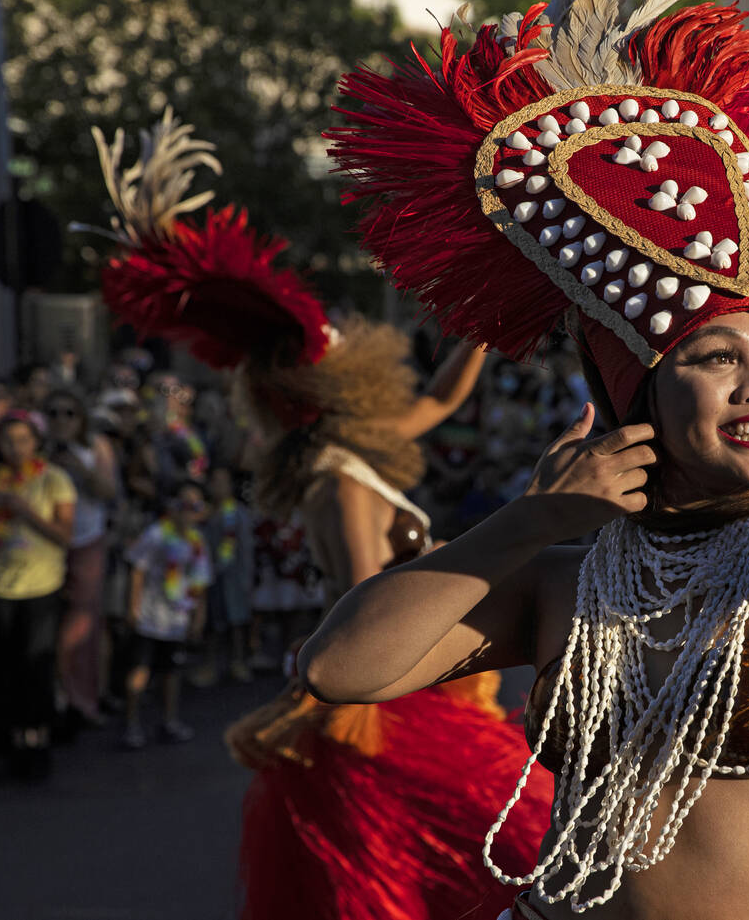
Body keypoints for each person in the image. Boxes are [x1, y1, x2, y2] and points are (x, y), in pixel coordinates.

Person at [310, 0, 749, 919]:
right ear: (640, 396)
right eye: (715, 359)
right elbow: (338, 668)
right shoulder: (563, 569)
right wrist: (532, 521)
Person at [82, 110, 554, 920]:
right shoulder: (340, 482)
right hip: (391, 705)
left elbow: (441, 397)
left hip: (412, 688)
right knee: (496, 850)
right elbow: (373, 604)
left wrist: (491, 304)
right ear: (321, 389)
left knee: (493, 857)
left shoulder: (356, 450)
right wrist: (487, 547)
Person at [0, 410, 76, 778]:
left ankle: (38, 743)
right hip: (0, 585)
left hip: (41, 585)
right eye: (7, 441)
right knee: (7, 668)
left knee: (36, 665)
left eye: (22, 440)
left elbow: (65, 536)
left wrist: (25, 512)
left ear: (35, 442)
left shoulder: (53, 480)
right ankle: (14, 743)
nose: (15, 448)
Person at [45, 387, 118, 729]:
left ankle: (85, 698)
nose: (61, 421)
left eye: (69, 414)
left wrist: (81, 470)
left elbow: (109, 492)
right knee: (50, 628)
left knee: (82, 626)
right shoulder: (37, 450)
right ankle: (58, 696)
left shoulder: (95, 448)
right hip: (45, 547)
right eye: (54, 413)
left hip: (87, 541)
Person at [121, 479, 212, 748]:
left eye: (195, 506)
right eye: (184, 505)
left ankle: (169, 721)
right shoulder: (156, 535)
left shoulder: (198, 541)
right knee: (140, 670)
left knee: (172, 671)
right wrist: (132, 607)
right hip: (150, 617)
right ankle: (131, 724)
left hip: (177, 619)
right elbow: (137, 570)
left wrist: (198, 615)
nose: (189, 511)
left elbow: (200, 582)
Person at [195, 465, 255, 685]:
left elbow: (246, 548)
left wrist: (247, 578)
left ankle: (238, 662)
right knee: (211, 624)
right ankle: (209, 665)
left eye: (223, 481)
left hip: (234, 577)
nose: (219, 486)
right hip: (209, 576)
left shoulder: (237, 513)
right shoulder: (202, 512)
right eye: (215, 481)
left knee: (236, 623)